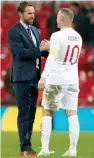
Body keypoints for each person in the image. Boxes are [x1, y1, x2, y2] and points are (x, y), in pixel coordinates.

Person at [38, 8, 82, 156]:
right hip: (73, 80)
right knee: (72, 113)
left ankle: (44, 149)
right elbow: (63, 52)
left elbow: (54, 57)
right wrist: (51, 46)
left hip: (57, 79)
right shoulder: (77, 37)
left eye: (57, 17)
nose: (56, 19)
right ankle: (73, 149)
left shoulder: (57, 35)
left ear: (62, 18)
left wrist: (44, 76)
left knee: (47, 112)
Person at [8, 1, 48, 156]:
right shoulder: (14, 31)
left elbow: (40, 53)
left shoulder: (35, 31)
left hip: (34, 77)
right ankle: (24, 148)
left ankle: (27, 146)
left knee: (31, 114)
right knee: (24, 113)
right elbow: (21, 54)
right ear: (21, 13)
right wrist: (39, 49)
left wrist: (50, 49)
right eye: (29, 13)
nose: (33, 15)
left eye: (33, 12)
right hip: (22, 78)